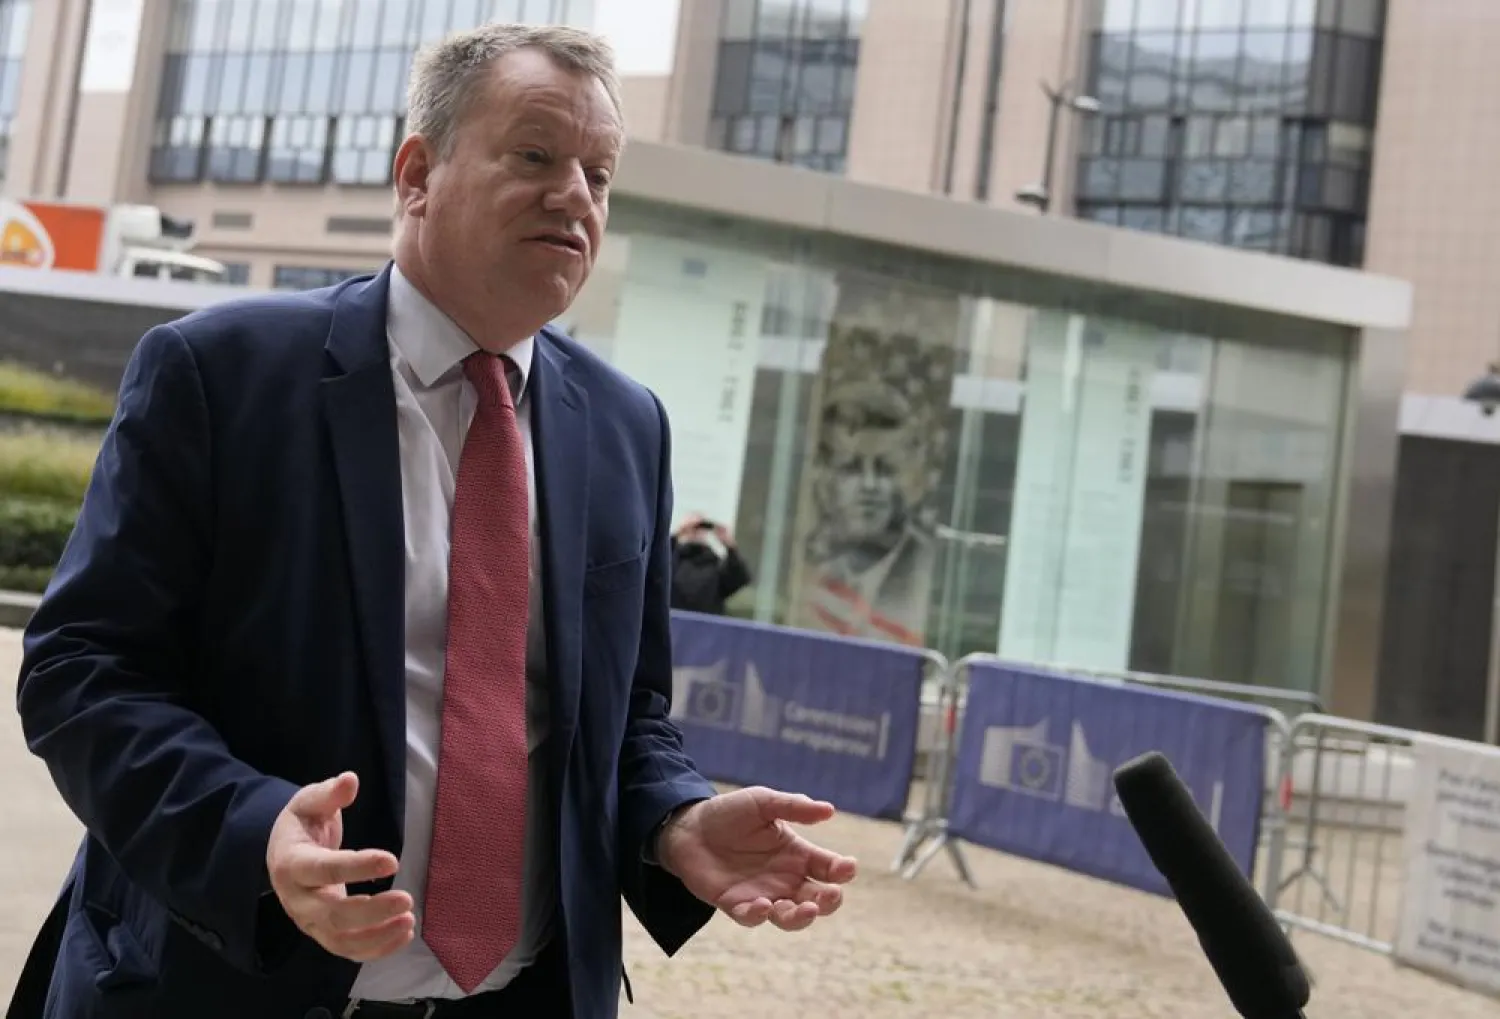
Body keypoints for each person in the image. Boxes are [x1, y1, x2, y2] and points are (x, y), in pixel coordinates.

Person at [12, 23, 856, 1019]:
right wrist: (250, 828)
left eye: (599, 172)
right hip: (228, 985)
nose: (576, 196)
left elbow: (624, 717)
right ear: (417, 172)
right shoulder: (220, 373)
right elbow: (82, 667)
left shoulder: (629, 425)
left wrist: (674, 816)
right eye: (536, 156)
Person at [669, 513, 752, 615]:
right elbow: (655, 563)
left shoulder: (716, 566)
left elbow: (740, 577)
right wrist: (678, 533)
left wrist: (730, 546)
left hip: (707, 627)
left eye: (701, 528)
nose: (696, 532)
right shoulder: (672, 560)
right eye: (693, 528)